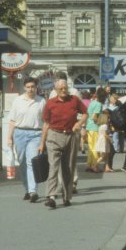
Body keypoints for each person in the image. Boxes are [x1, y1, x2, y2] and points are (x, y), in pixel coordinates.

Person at [39, 79, 87, 208]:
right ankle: (51, 196)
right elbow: (46, 124)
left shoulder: (74, 100)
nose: (64, 90)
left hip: (70, 136)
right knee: (53, 166)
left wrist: (79, 123)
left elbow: (85, 114)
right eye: (61, 89)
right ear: (55, 90)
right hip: (54, 135)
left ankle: (67, 197)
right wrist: (42, 142)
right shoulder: (50, 103)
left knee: (68, 168)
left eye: (65, 88)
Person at [7, 77, 46, 202]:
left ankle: (33, 191)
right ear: (24, 87)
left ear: (36, 88)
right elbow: (12, 120)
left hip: (35, 134)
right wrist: (9, 137)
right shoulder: (18, 101)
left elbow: (45, 122)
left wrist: (43, 140)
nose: (30, 89)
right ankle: (27, 189)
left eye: (33, 87)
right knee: (22, 162)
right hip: (19, 134)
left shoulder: (41, 101)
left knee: (31, 162)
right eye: (28, 87)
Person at [85, 88, 107, 173]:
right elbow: (94, 117)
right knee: (95, 148)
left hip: (89, 127)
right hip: (94, 127)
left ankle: (88, 164)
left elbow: (88, 114)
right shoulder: (98, 104)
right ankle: (94, 166)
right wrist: (100, 122)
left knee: (90, 148)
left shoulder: (92, 102)